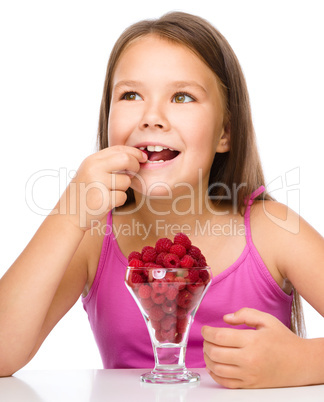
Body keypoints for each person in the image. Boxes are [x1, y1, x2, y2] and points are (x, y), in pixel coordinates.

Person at [0, 11, 323, 389]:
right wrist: (69, 213)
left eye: (182, 97)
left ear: (225, 133)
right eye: (131, 95)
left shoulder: (274, 231)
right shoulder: (92, 237)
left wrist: (306, 362)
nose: (152, 117)